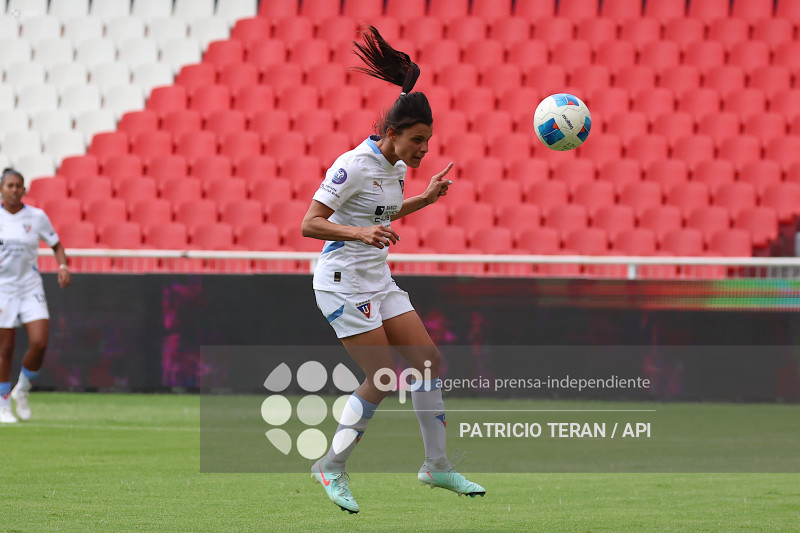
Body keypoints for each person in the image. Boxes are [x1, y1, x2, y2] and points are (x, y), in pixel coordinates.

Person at [301, 27, 485, 514]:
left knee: (427, 362)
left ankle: (436, 465)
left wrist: (423, 200)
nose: (423, 150)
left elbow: (382, 214)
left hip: (377, 279)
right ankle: (330, 466)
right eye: (417, 140)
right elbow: (310, 223)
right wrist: (358, 233)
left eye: (428, 141)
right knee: (382, 378)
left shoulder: (397, 167)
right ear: (392, 134)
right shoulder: (352, 166)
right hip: (342, 282)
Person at [0, 169, 71, 423]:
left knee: (40, 342)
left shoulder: (37, 216)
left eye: (18, 186)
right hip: (3, 288)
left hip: (30, 286)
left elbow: (56, 245)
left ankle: (23, 388)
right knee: (5, 349)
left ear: (24, 190)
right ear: (1, 189)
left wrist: (63, 266)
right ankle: (3, 405)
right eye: (9, 185)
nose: (14, 190)